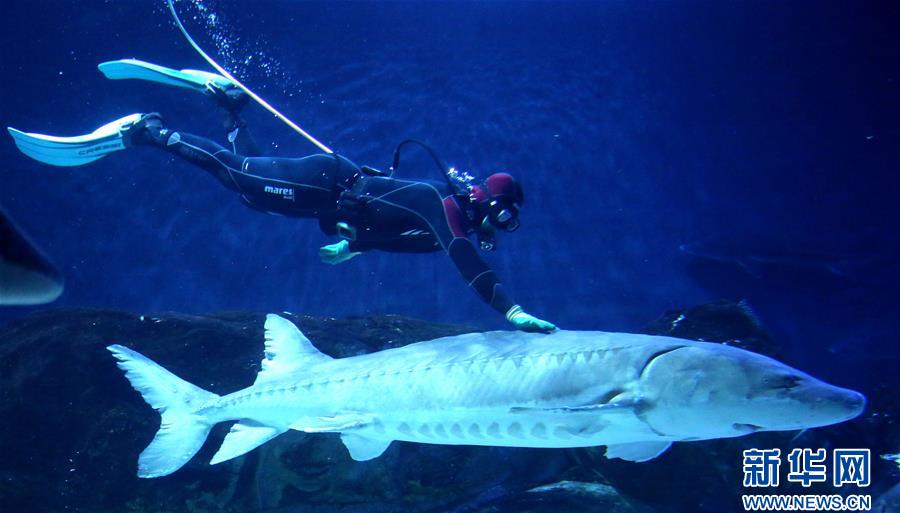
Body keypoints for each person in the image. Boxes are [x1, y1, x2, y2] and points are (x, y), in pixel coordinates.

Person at [7, 60, 557, 332]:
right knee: (241, 177)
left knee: (249, 192)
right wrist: (509, 308)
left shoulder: (438, 230)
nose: (498, 228)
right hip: (325, 182)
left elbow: (393, 239)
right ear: (485, 202)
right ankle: (148, 130)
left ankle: (227, 106)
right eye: (502, 216)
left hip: (325, 203)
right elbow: (463, 255)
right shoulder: (441, 209)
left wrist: (354, 245)